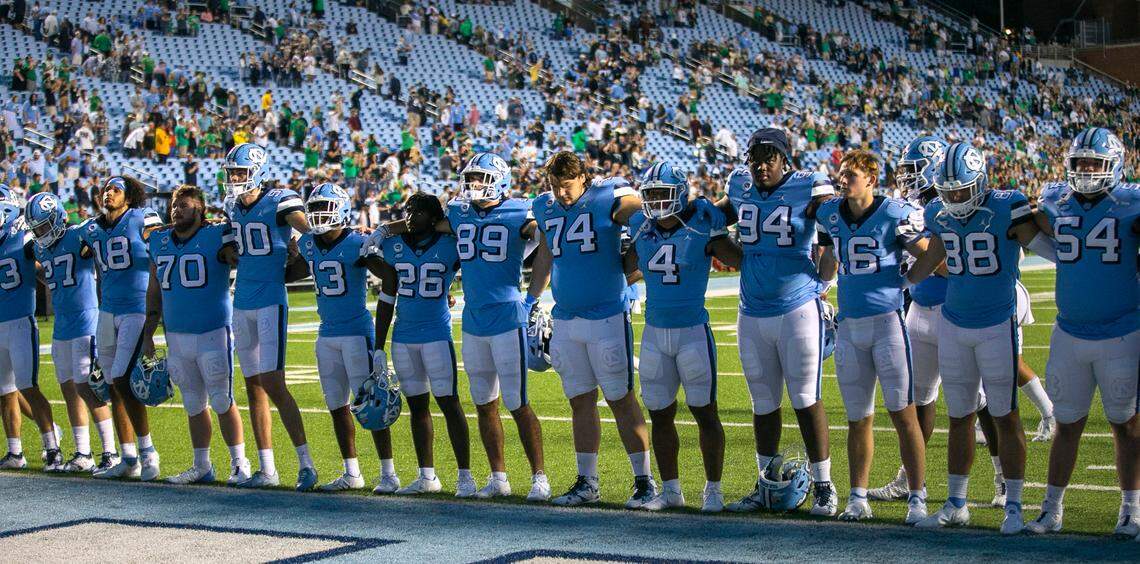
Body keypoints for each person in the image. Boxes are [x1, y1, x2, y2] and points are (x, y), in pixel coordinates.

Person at [908, 143, 1059, 534]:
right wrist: (899, 282)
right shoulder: (936, 212)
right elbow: (932, 256)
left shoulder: (1008, 205)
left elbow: (1046, 245)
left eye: (962, 189)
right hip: (954, 324)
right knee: (959, 417)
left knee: (1004, 415)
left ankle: (1013, 505)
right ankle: (957, 502)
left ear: (980, 181)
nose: (955, 198)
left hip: (996, 324)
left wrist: (1072, 247)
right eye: (949, 190)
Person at [711, 128, 839, 516]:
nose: (762, 165)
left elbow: (834, 225)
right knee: (763, 404)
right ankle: (766, 483)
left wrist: (826, 278)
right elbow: (713, 220)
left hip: (797, 306)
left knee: (805, 398)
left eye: (771, 158)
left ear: (786, 159)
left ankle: (823, 485)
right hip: (751, 310)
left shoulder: (807, 186)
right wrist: (737, 254)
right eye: (757, 158)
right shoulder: (739, 185)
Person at [1028, 127, 1140, 538]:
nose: (1088, 170)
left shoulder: (1131, 201)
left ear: (1115, 165)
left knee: (1126, 424)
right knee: (1067, 424)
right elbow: (1032, 226)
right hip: (1070, 332)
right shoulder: (1056, 199)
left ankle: (1131, 509)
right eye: (1081, 163)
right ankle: (1052, 509)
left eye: (1095, 163)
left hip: (1123, 333)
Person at [528, 151, 656, 508]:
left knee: (620, 399)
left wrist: (632, 261)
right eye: (554, 186)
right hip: (566, 318)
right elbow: (544, 256)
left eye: (565, 186)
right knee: (580, 401)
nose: (560, 193)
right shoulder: (546, 206)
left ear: (583, 178)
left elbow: (640, 210)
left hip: (607, 316)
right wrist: (530, 300)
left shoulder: (606, 193)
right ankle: (587, 482)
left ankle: (645, 481)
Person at [814, 150, 929, 524]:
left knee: (903, 413)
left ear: (871, 180)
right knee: (857, 417)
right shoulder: (830, 213)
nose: (843, 178)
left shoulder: (894, 213)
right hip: (849, 325)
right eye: (842, 172)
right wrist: (823, 283)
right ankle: (858, 496)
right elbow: (829, 259)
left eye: (852, 174)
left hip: (887, 322)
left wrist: (907, 280)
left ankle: (916, 496)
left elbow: (930, 254)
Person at [622, 162, 741, 512]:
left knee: (705, 412)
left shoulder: (702, 223)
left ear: (679, 194)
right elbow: (625, 268)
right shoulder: (642, 228)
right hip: (655, 333)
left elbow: (739, 260)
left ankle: (713, 490)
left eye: (663, 193)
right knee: (659, 413)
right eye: (652, 195)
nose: (657, 202)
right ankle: (671, 490)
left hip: (692, 331)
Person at [221, 143, 316, 491]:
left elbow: (306, 229)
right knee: (253, 386)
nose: (234, 179)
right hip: (242, 298)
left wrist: (298, 245)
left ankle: (306, 464)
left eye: (240, 172)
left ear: (257, 172)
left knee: (274, 383)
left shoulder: (280, 199)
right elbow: (231, 251)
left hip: (271, 299)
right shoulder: (232, 206)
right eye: (231, 172)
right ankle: (267, 468)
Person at [297, 183, 401, 494]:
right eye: (314, 209)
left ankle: (388, 473)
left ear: (341, 210)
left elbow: (389, 275)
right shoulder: (308, 244)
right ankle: (351, 472)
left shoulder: (357, 243)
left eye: (324, 208)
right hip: (326, 333)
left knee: (372, 404)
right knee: (336, 405)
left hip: (357, 333)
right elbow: (292, 269)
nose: (318, 215)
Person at [143, 185, 250, 485]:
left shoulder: (216, 235)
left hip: (213, 331)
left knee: (221, 399)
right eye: (175, 205)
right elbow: (154, 292)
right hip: (176, 335)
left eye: (185, 205)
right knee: (192, 402)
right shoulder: (160, 240)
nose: (176, 209)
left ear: (200, 208)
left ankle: (240, 462)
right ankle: (201, 465)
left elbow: (238, 257)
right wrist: (148, 333)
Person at [371, 192, 472, 496]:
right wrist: (379, 344)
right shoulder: (393, 246)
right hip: (403, 336)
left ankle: (465, 476)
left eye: (418, 213)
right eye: (408, 212)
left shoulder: (450, 244)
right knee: (417, 407)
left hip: (436, 335)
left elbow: (461, 229)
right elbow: (386, 297)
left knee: (449, 403)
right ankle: (426, 475)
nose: (411, 218)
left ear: (434, 217)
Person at [25, 192, 118, 473]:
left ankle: (111, 452)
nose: (40, 233)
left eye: (43, 226)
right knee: (69, 389)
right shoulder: (41, 249)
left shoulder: (78, 236)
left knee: (88, 388)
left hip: (85, 321)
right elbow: (51, 273)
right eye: (36, 228)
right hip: (62, 325)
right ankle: (82, 452)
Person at [79, 177, 164, 480]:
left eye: (115, 190)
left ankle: (148, 451)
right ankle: (128, 458)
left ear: (130, 197)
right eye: (105, 190)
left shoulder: (142, 217)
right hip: (107, 310)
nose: (108, 193)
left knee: (124, 380)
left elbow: (161, 247)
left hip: (136, 308)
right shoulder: (90, 228)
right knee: (112, 386)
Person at [0, 187, 62, 471]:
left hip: (21, 321)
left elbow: (45, 265)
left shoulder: (24, 238)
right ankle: (15, 452)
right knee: (4, 392)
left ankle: (52, 447)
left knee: (28, 387)